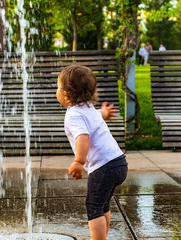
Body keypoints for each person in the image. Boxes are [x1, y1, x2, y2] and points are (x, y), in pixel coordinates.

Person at [56, 65, 128, 240]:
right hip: (118, 162)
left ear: (67, 93)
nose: (57, 91)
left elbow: (82, 137)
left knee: (93, 206)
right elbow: (96, 116)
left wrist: (78, 162)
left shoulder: (74, 114)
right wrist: (104, 112)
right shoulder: (87, 108)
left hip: (103, 167)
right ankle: (102, 236)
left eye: (58, 87)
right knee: (102, 205)